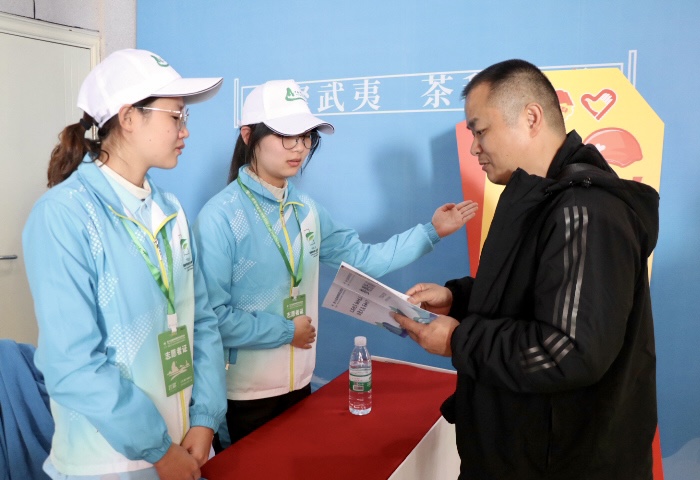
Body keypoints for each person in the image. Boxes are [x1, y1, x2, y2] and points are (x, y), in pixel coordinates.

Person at [393, 59, 659, 479]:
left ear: (531, 117)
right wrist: (457, 298)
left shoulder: (585, 211)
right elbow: (534, 294)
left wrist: (460, 340)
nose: (474, 148)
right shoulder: (543, 199)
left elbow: (567, 350)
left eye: (480, 131)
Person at [192, 79, 478, 445]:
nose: (300, 147)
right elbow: (212, 318)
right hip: (242, 396)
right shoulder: (220, 216)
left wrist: (431, 231)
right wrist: (286, 331)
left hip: (299, 386)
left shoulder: (306, 210)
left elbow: (363, 259)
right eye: (286, 136)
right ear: (248, 135)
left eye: (306, 136)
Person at [22, 49, 227, 480]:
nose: (185, 130)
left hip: (183, 444)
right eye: (176, 116)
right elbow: (72, 364)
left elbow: (202, 321)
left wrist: (205, 417)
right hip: (107, 462)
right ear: (129, 117)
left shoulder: (170, 210)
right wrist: (158, 449)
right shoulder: (65, 214)